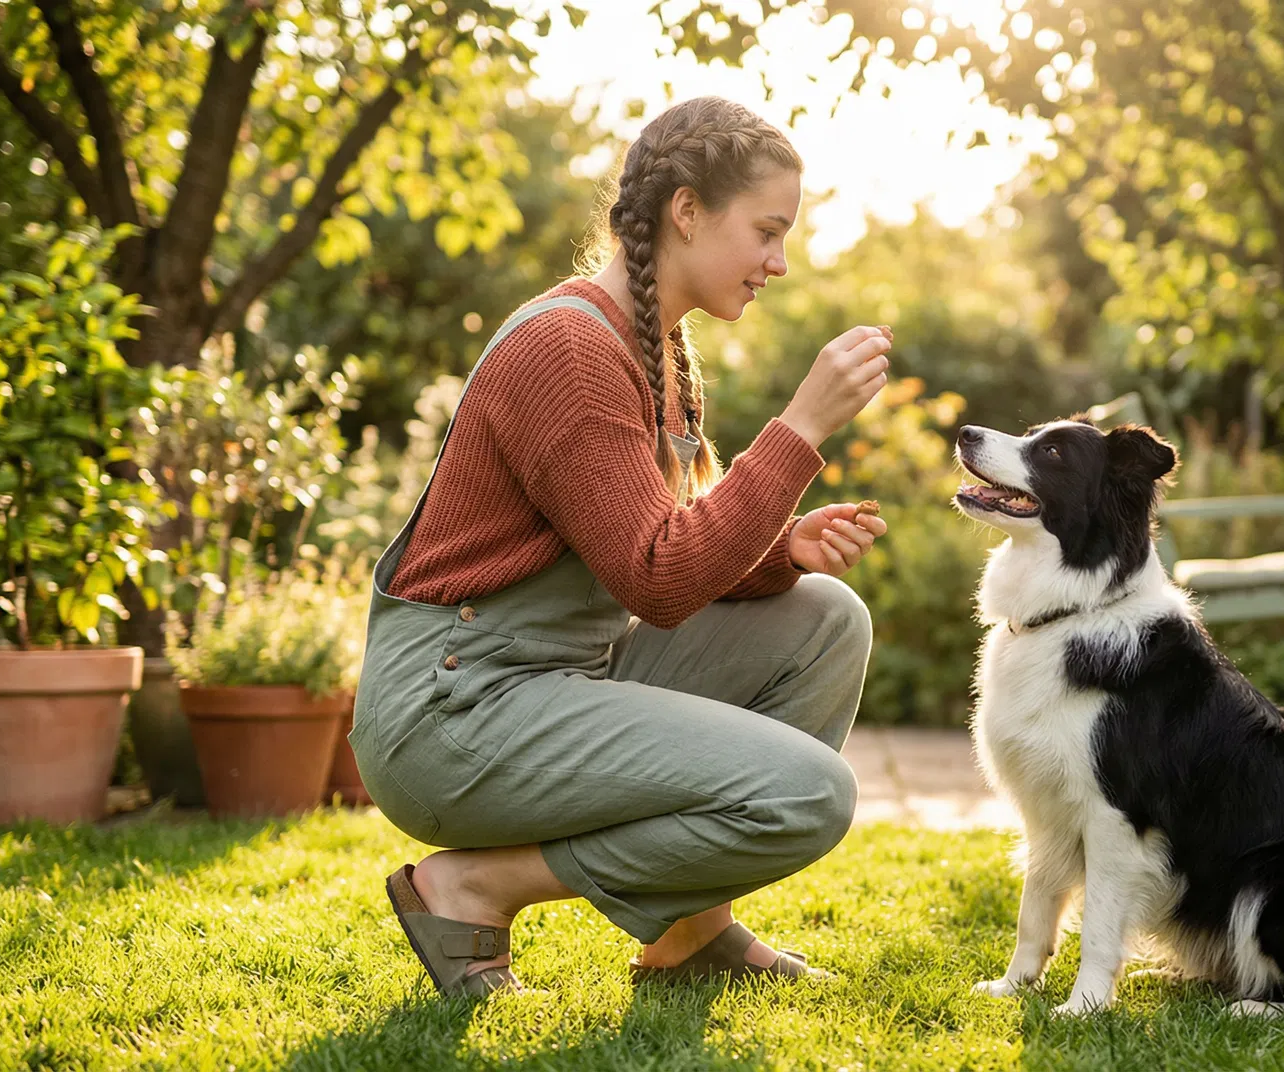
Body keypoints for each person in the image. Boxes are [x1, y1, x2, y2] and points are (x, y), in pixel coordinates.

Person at [352, 96, 894, 997]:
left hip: (559, 676)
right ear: (687, 211)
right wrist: (799, 429)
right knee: (812, 794)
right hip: (452, 708)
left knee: (825, 621)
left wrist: (781, 551)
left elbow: (650, 547)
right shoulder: (569, 349)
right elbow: (662, 578)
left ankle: (690, 930)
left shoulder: (662, 351)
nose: (779, 262)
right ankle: (472, 886)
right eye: (766, 230)